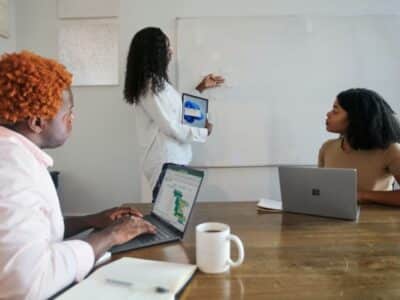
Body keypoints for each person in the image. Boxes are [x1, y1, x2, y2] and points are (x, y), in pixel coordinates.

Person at [0, 51, 156, 300]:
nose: (73, 119)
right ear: (37, 123)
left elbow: (36, 235)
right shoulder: (10, 171)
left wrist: (90, 221)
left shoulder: (15, 155)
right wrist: (110, 236)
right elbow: (27, 284)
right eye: (68, 113)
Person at [123, 27, 224, 190]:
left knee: (174, 214)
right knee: (171, 215)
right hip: (167, 165)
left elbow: (177, 109)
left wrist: (200, 88)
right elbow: (173, 126)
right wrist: (203, 130)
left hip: (173, 164)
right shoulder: (151, 86)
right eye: (167, 46)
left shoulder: (157, 83)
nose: (171, 51)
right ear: (154, 52)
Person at [319, 88, 400, 206]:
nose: (328, 114)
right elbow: (320, 189)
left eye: (335, 111)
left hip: (374, 222)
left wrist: (362, 195)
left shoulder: (391, 150)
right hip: (333, 219)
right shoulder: (327, 147)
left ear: (357, 117)